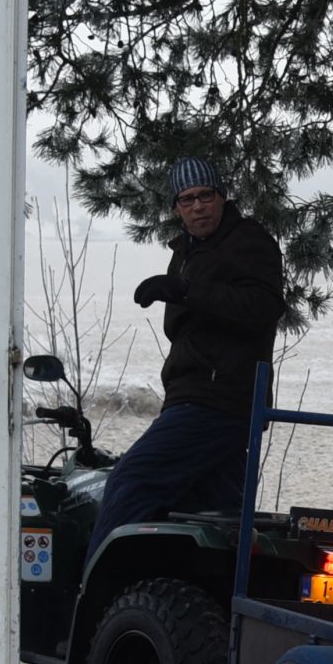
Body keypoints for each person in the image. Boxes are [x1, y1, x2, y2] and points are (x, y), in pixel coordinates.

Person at [94, 156, 285, 552]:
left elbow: (263, 308)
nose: (198, 207)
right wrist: (183, 294)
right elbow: (182, 328)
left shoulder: (248, 240)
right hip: (192, 396)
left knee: (131, 481)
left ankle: (96, 586)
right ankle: (198, 592)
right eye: (187, 199)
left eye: (205, 196)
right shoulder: (186, 251)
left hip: (218, 399)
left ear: (222, 197)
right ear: (176, 208)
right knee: (213, 517)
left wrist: (186, 292)